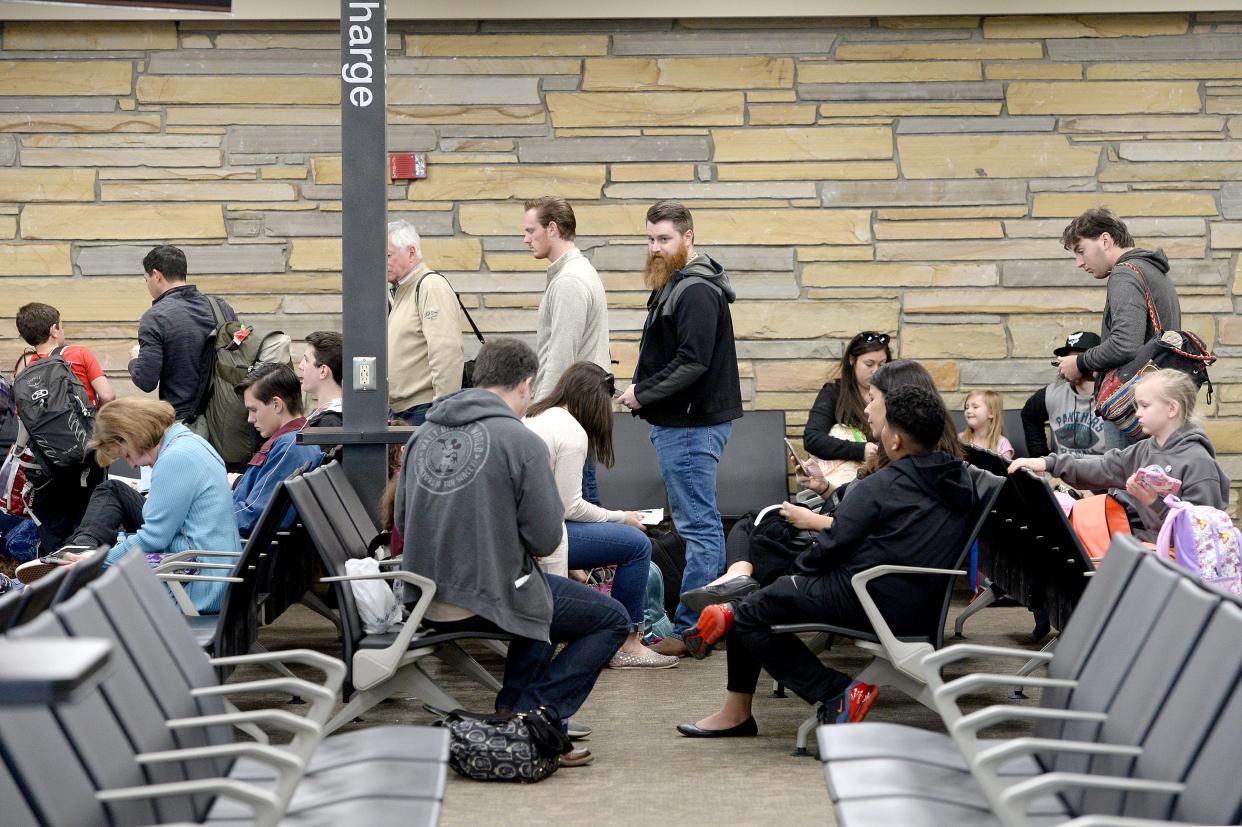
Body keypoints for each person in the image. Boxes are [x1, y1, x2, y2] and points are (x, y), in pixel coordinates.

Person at [675, 385, 978, 736]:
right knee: (757, 603)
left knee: (754, 612)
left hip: (867, 595)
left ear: (894, 442)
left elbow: (832, 545)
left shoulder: (883, 485)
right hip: (911, 596)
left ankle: (836, 692)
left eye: (877, 410)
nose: (869, 412)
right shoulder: (956, 477)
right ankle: (731, 623)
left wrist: (798, 572)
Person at [394, 338, 628, 763]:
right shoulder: (520, 442)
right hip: (486, 596)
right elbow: (545, 539)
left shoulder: (423, 434)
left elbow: (401, 522)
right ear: (526, 384)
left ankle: (516, 711)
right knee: (610, 619)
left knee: (537, 593)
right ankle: (532, 715)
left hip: (422, 595)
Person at [683, 359, 961, 611]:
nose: (866, 408)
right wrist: (824, 488)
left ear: (896, 403)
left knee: (763, 536)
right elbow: (869, 514)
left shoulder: (906, 472)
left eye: (872, 399)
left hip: (854, 570)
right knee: (758, 524)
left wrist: (813, 521)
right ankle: (739, 585)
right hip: (853, 556)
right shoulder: (924, 465)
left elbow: (873, 529)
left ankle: (742, 604)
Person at [615, 200, 742, 657]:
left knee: (700, 529)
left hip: (690, 426)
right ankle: (698, 627)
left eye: (664, 238)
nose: (656, 247)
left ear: (689, 238)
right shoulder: (679, 287)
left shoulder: (695, 291)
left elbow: (693, 362)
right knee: (697, 525)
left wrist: (643, 393)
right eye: (650, 239)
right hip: (682, 424)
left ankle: (693, 632)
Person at [15, 398, 240, 615]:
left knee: (84, 603)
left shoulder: (175, 459)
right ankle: (79, 558)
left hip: (198, 585)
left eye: (126, 455)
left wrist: (100, 561)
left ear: (129, 437)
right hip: (211, 574)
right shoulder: (191, 442)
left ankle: (76, 562)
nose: (132, 464)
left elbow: (154, 538)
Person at [525, 362, 679, 670]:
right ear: (594, 399)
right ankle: (628, 643)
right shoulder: (571, 432)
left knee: (627, 540)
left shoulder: (535, 416)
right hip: (545, 536)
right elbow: (571, 507)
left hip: (524, 531)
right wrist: (621, 517)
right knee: (636, 544)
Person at [1009, 369, 1229, 543]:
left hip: (1178, 566)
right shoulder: (1143, 449)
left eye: (1144, 405)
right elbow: (1102, 467)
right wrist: (1047, 463)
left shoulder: (1198, 462)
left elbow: (1202, 533)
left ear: (1172, 409)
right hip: (1146, 547)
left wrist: (1153, 502)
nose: (1137, 413)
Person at [1057, 208, 1181, 448]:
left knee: (1125, 482)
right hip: (1159, 401)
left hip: (1132, 407)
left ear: (1105, 240)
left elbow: (1125, 345)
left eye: (1081, 251)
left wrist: (1079, 363)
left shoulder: (1125, 274)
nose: (1079, 263)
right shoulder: (1153, 270)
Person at [14, 302, 115, 554]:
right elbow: (108, 395)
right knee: (92, 514)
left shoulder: (24, 372)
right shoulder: (79, 354)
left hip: (50, 463)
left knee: (57, 524)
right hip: (88, 453)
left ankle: (57, 575)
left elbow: (25, 421)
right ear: (54, 329)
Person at [130, 245, 236, 421]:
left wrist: (134, 360)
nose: (147, 284)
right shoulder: (220, 307)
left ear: (156, 275)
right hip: (228, 417)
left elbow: (146, 381)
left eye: (146, 279)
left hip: (185, 422)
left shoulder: (155, 317)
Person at [523, 197, 612, 401]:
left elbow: (561, 360)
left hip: (571, 409)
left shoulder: (569, 280)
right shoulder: (576, 272)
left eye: (530, 231)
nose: (526, 239)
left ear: (552, 228)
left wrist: (539, 413)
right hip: (580, 405)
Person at [386, 219, 466, 426]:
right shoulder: (402, 290)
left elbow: (446, 351)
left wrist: (443, 410)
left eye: (387, 255)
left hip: (425, 410)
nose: (381, 262)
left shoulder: (430, 286)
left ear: (411, 252)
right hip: (405, 410)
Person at [232, 363, 324, 535]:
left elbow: (253, 515)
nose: (250, 419)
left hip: (234, 550)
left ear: (276, 404)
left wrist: (205, 518)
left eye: (253, 410)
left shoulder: (291, 447)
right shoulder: (296, 440)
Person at [803, 331, 891, 468]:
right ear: (852, 360)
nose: (876, 371)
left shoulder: (893, 392)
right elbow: (812, 439)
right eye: (869, 364)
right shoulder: (834, 393)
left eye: (882, 364)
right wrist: (860, 450)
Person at [1022, 331, 1106, 458]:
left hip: (1103, 473)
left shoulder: (1112, 396)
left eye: (1075, 359)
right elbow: (1029, 415)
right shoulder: (1053, 394)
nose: (1066, 365)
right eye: (1066, 359)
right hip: (1064, 473)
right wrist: (1040, 457)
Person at [300, 331, 343, 428]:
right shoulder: (323, 416)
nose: (300, 366)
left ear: (323, 371)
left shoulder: (330, 423)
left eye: (306, 360)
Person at [961, 389, 1013, 460]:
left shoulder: (1002, 445)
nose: (968, 411)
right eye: (966, 407)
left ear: (991, 413)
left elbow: (1005, 470)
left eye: (975, 407)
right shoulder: (959, 439)